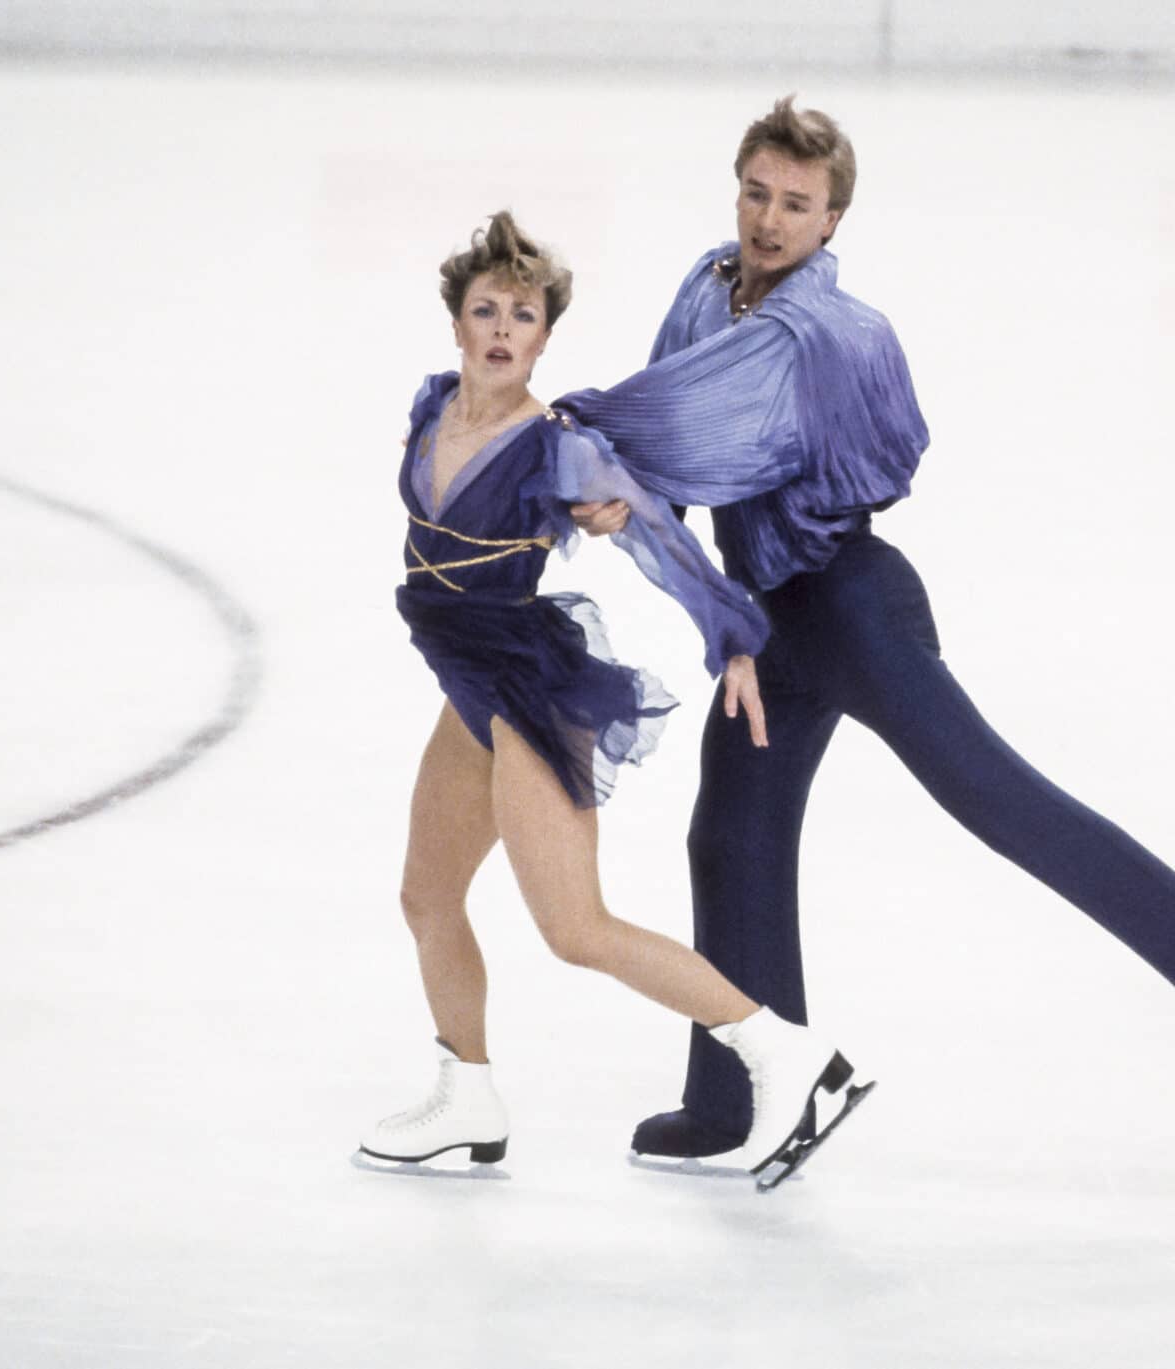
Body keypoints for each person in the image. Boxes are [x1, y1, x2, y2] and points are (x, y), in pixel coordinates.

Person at [561, 98, 1175, 1164]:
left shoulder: (825, 335)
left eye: (796, 204)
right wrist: (627, 497)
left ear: (831, 220)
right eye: (757, 194)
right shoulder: (705, 288)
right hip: (768, 624)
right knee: (730, 837)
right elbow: (659, 424)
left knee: (998, 800)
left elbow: (675, 433)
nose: (769, 219)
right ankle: (741, 1099)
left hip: (849, 605)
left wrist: (596, 457)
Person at [359, 211, 870, 1187]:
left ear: (545, 337)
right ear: (457, 323)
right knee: (427, 894)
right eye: (486, 310)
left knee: (576, 928)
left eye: (523, 315)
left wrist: (731, 635)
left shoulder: (556, 449)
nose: (502, 329)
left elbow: (658, 539)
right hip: (466, 683)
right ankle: (466, 1095)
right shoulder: (434, 408)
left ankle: (791, 1058)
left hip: (529, 688)